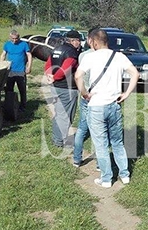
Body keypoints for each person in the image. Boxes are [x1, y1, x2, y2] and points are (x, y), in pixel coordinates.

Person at [75, 29, 139, 188]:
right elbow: (135, 74)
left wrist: (84, 93)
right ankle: (124, 175)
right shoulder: (119, 56)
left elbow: (78, 76)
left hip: (96, 106)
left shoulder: (90, 57)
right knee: (117, 142)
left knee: (101, 144)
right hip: (114, 105)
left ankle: (106, 179)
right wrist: (126, 94)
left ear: (94, 42)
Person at [44, 30, 82, 147]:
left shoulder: (56, 49)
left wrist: (50, 76)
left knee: (59, 113)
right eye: (79, 41)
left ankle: (57, 138)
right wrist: (55, 77)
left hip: (55, 87)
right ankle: (61, 140)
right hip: (67, 88)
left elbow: (48, 65)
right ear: (73, 41)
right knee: (66, 115)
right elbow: (67, 68)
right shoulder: (71, 52)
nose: (80, 43)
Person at [73, 28, 96, 167]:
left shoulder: (83, 55)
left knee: (82, 127)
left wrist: (83, 93)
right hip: (99, 96)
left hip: (85, 95)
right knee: (99, 130)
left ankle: (77, 158)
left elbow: (79, 76)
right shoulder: (106, 56)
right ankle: (100, 163)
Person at [0, 30, 32, 112]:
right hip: (10, 71)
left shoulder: (24, 44)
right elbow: (3, 54)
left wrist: (29, 66)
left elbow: (29, 55)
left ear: (19, 37)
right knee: (9, 89)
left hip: (20, 71)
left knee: (22, 89)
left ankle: (23, 106)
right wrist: (0, 65)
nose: (14, 40)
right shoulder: (7, 44)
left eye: (16, 39)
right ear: (10, 37)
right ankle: (9, 106)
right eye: (12, 39)